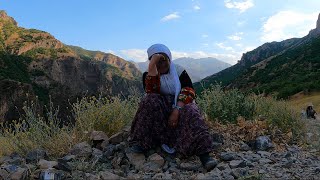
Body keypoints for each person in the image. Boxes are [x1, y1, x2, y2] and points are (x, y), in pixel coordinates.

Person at [129, 43, 217, 171]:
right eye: (157, 62)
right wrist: (152, 66)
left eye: (164, 61)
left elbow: (189, 90)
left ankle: (204, 155)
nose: (162, 65)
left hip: (181, 103)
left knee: (191, 110)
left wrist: (176, 110)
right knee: (149, 100)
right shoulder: (148, 74)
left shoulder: (180, 71)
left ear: (169, 59)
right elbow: (151, 91)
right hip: (161, 107)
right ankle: (143, 142)